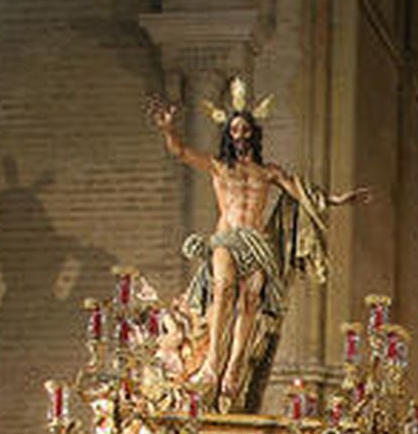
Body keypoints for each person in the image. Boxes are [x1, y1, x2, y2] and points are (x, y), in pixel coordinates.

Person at [149, 79, 370, 413]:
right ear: (228, 134)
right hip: (226, 238)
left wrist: (339, 200)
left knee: (251, 301)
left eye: (244, 129)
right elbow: (180, 152)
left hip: (257, 244)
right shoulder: (219, 166)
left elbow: (302, 193)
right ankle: (212, 362)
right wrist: (169, 129)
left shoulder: (267, 172)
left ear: (253, 133)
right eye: (234, 130)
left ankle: (235, 366)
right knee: (224, 288)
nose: (239, 135)